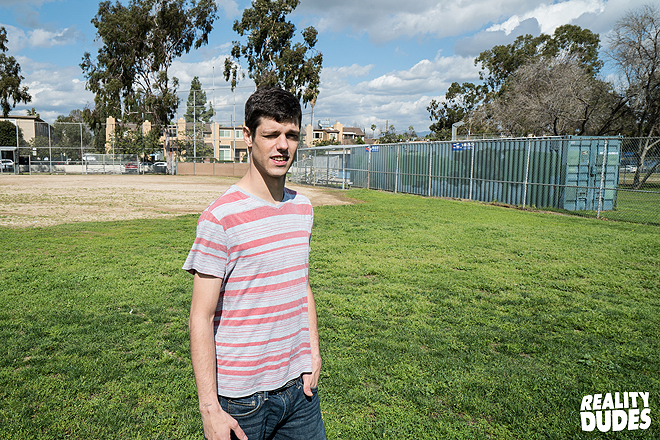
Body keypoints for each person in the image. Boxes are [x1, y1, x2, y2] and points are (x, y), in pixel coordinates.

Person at [184, 87, 325, 440]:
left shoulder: (303, 208)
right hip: (242, 401)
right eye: (271, 134)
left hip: (300, 392)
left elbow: (302, 285)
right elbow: (200, 316)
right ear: (248, 136)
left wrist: (313, 353)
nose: (283, 146)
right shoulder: (220, 218)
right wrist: (209, 408)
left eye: (291, 135)